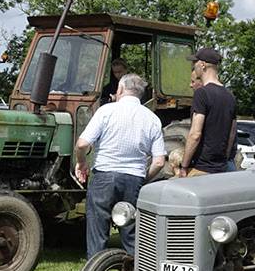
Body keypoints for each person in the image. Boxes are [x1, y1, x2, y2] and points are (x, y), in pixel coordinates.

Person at [74, 73, 168, 257]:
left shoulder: (106, 111)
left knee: (97, 230)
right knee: (131, 232)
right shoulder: (152, 119)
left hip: (104, 175)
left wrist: (81, 162)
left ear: (120, 89)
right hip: (134, 178)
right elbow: (159, 161)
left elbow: (82, 144)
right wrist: (143, 178)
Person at [178, 48, 237, 176]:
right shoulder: (230, 96)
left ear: (202, 65)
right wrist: (223, 160)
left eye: (195, 63)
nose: (194, 66)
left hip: (202, 167)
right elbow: (231, 134)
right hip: (221, 168)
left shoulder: (202, 93)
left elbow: (195, 134)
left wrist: (184, 166)